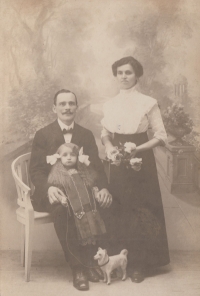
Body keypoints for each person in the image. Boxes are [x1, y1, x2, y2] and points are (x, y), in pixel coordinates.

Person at [29, 89, 112, 291]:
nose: (67, 107)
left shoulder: (85, 134)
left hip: (82, 189)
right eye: (62, 104)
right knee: (64, 211)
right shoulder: (43, 134)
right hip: (54, 192)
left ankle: (93, 260)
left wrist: (102, 188)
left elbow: (96, 167)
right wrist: (48, 189)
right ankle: (79, 268)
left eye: (71, 103)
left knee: (97, 204)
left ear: (76, 107)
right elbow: (36, 169)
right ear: (54, 108)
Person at [101, 56, 170, 283]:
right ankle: (119, 260)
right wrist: (111, 148)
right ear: (115, 75)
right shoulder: (109, 104)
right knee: (120, 207)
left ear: (137, 75)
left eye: (128, 72)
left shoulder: (148, 102)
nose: (123, 76)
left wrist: (136, 149)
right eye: (119, 72)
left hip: (142, 160)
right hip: (119, 161)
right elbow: (105, 134)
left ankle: (141, 264)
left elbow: (160, 136)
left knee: (142, 208)